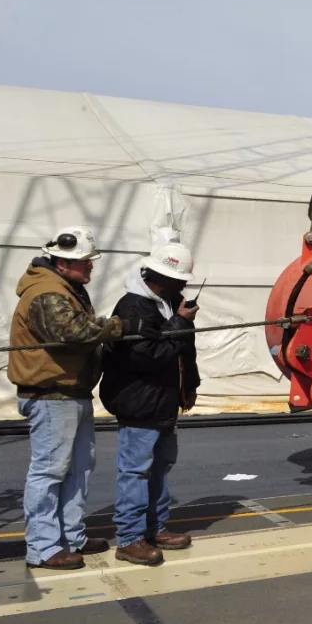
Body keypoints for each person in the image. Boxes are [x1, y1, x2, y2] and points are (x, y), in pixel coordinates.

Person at [9, 227, 128, 570]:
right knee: (50, 471)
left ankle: (70, 537)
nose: (90, 268)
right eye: (84, 262)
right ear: (62, 262)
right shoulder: (47, 292)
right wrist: (120, 327)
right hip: (51, 394)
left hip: (70, 392)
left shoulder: (66, 288)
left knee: (78, 468)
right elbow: (71, 332)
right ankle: (43, 548)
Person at [101, 242, 201, 566]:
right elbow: (148, 357)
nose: (184, 285)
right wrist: (181, 323)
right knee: (135, 471)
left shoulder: (169, 304)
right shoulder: (132, 308)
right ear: (159, 276)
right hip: (140, 403)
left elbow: (184, 351)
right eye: (179, 279)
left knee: (160, 467)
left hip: (163, 401)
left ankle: (155, 529)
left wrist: (190, 385)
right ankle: (129, 538)